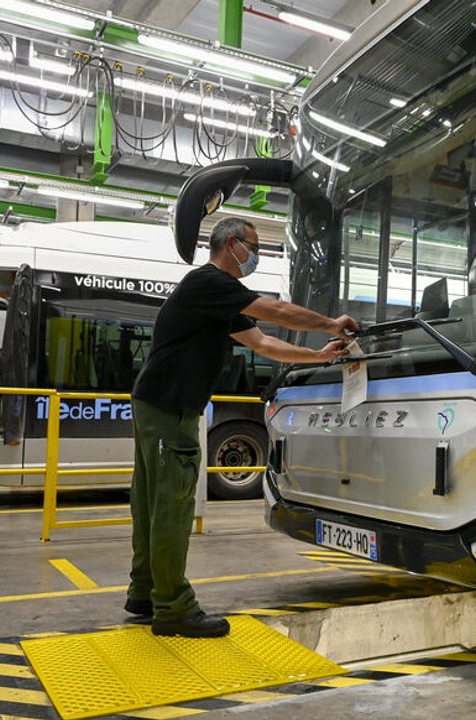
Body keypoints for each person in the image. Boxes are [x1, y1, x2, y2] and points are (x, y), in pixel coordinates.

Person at [126, 216, 358, 638]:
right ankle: (173, 607)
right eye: (254, 246)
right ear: (231, 243)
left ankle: (146, 592)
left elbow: (265, 344)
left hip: (157, 404)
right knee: (171, 505)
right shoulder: (209, 282)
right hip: (169, 407)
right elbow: (278, 311)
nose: (257, 256)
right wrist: (329, 323)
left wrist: (322, 357)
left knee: (151, 502)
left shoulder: (217, 302)